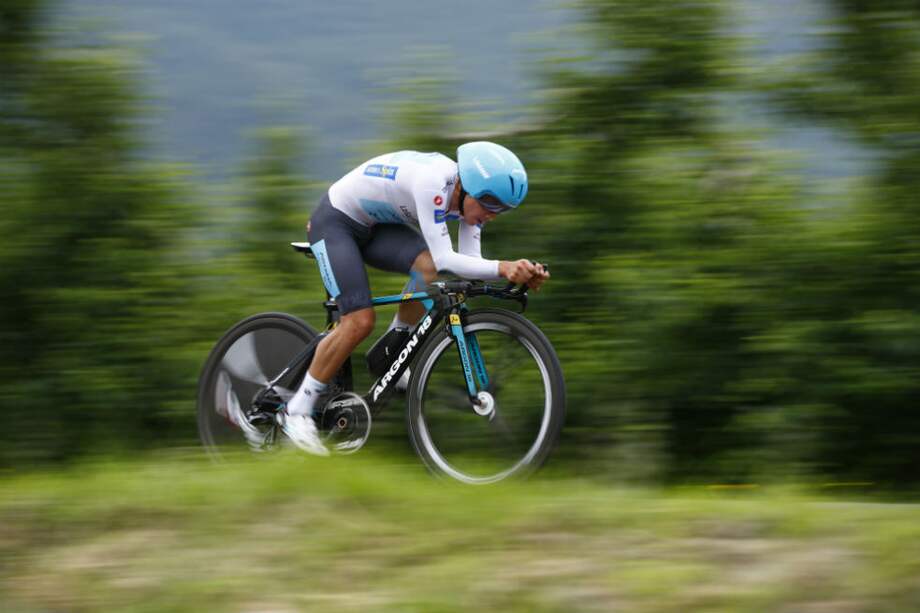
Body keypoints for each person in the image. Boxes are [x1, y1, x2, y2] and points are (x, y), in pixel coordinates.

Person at [279, 141, 548, 454]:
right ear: (467, 187)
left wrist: (520, 272)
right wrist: (504, 268)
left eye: (502, 209)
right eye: (491, 205)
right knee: (359, 322)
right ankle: (296, 410)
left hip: (375, 227)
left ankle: (393, 346)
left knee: (426, 267)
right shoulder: (432, 182)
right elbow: (450, 260)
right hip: (335, 222)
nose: (493, 215)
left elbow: (470, 266)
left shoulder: (468, 203)